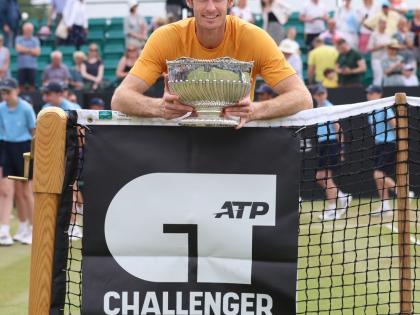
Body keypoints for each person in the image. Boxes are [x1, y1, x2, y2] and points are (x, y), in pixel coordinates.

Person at [111, 0, 313, 128]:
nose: (210, 7)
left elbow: (302, 98)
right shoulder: (164, 38)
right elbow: (120, 98)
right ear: (189, 2)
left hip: (238, 141)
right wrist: (159, 107)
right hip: (181, 144)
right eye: (202, 0)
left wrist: (256, 111)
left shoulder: (255, 38)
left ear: (230, 2)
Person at [0, 78, 36, 246]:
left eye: (8, 91)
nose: (5, 95)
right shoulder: (1, 108)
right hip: (6, 147)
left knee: (25, 192)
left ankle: (33, 229)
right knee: (6, 190)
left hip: (24, 149)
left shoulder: (26, 108)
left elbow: (34, 133)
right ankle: (10, 230)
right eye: (3, 92)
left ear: (16, 91)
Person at [312, 84, 351, 221]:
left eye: (323, 93)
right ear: (315, 96)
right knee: (319, 177)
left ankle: (332, 209)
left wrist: (341, 149)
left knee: (325, 177)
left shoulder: (329, 108)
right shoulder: (318, 108)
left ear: (326, 94)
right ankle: (342, 197)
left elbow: (338, 128)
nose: (321, 96)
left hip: (331, 144)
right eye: (319, 94)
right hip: (323, 145)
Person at [366, 85, 396, 216]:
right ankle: (385, 207)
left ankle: (403, 193)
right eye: (368, 93)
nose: (369, 95)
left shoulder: (385, 107)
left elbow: (395, 125)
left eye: (371, 93)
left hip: (389, 144)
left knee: (378, 175)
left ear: (379, 94)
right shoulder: (369, 110)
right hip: (379, 145)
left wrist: (401, 142)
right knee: (378, 177)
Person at [15, 22, 41, 92]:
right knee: (21, 85)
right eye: (28, 30)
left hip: (32, 66)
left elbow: (37, 52)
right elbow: (18, 49)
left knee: (32, 85)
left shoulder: (35, 40)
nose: (29, 31)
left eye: (30, 30)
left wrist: (25, 50)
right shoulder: (18, 39)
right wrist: (31, 50)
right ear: (24, 30)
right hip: (21, 66)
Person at [367, 18, 391, 86]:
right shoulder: (374, 35)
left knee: (386, 77)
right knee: (378, 77)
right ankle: (376, 94)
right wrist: (380, 47)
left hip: (386, 59)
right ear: (379, 24)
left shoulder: (387, 35)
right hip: (376, 59)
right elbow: (369, 49)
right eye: (382, 23)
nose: (384, 25)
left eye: (385, 23)